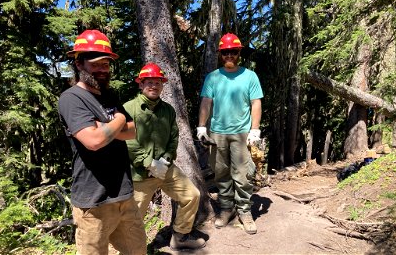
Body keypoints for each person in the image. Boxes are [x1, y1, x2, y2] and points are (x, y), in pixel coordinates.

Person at [58, 29, 147, 255]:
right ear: (79, 64)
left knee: (137, 251)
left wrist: (107, 125)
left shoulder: (109, 95)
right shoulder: (71, 99)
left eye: (106, 64)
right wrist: (117, 121)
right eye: (96, 64)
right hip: (93, 201)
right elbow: (94, 141)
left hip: (124, 195)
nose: (102, 70)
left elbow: (132, 130)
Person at [123, 62, 206, 251]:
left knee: (192, 195)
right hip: (139, 175)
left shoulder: (168, 110)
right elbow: (127, 141)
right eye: (149, 82)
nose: (154, 85)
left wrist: (166, 159)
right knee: (133, 220)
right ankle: (131, 251)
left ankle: (180, 237)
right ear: (140, 84)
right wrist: (147, 162)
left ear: (162, 85)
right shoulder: (128, 108)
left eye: (158, 82)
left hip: (165, 169)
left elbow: (174, 137)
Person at [197, 33, 263, 235]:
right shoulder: (213, 77)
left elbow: (256, 103)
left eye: (233, 52)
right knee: (221, 174)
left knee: (243, 175)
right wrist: (201, 127)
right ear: (220, 54)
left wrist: (255, 129)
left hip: (242, 133)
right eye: (225, 52)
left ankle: (244, 211)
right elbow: (206, 102)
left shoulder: (250, 76)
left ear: (239, 53)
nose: (229, 55)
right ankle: (226, 209)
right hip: (217, 134)